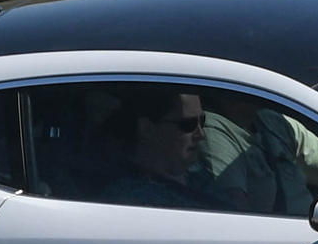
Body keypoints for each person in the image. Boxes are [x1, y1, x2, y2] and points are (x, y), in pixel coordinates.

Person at [98, 86, 231, 211]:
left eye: (202, 121)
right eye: (188, 124)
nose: (201, 134)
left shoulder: (199, 174)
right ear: (147, 130)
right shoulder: (131, 199)